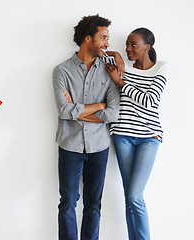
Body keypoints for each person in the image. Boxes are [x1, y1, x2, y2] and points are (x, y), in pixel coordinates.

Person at [52, 15, 120, 240]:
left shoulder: (109, 71)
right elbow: (63, 111)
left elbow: (112, 114)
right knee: (68, 203)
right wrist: (98, 105)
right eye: (103, 37)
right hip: (70, 145)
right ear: (87, 38)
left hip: (99, 147)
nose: (107, 43)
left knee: (93, 205)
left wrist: (78, 111)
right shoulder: (61, 71)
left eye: (107, 38)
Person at [105, 28, 168, 240]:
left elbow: (149, 101)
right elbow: (99, 53)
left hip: (149, 138)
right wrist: (116, 55)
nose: (128, 48)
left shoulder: (161, 68)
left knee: (135, 195)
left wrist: (121, 83)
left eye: (133, 45)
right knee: (129, 197)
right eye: (127, 45)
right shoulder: (123, 68)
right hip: (122, 135)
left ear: (147, 47)